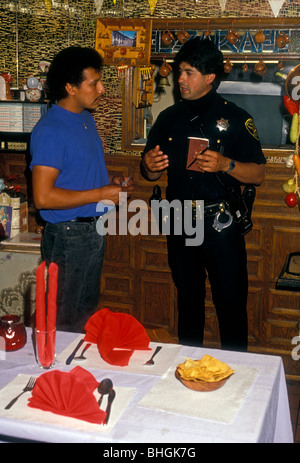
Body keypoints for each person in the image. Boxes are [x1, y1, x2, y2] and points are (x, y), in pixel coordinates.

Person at [140, 38, 266, 351]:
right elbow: (151, 172)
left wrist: (227, 164)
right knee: (188, 303)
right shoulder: (168, 118)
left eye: (188, 72)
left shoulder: (236, 117)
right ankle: (187, 373)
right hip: (180, 220)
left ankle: (238, 380)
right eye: (180, 72)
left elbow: (259, 174)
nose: (179, 79)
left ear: (210, 77)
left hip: (221, 223)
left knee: (231, 304)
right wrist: (150, 166)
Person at [30, 46, 133, 332]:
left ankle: (78, 375)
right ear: (70, 87)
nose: (101, 89)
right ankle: (56, 376)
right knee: (64, 320)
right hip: (67, 235)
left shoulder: (85, 118)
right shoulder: (52, 130)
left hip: (91, 231)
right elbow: (43, 197)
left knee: (84, 316)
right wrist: (101, 194)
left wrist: (110, 187)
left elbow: (77, 178)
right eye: (93, 83)